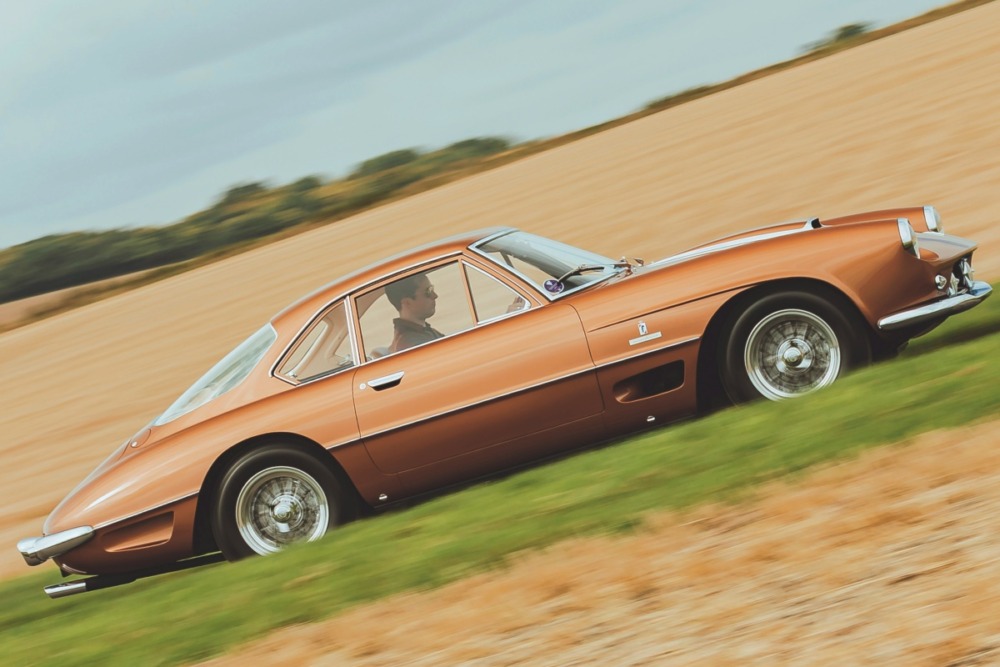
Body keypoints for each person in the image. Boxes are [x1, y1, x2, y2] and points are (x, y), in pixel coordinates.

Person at [384, 272, 444, 353]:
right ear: (407, 303)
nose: (435, 296)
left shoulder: (422, 331)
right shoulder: (411, 344)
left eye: (432, 289)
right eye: (428, 292)